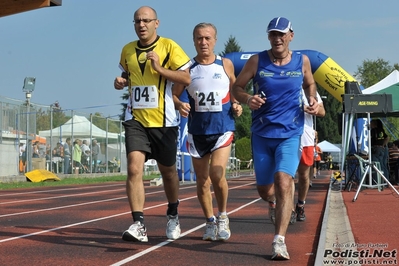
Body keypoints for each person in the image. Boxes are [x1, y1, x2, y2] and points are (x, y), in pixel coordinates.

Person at [231, 17, 320, 260]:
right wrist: (248, 99)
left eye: (281, 34)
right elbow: (236, 88)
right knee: (264, 189)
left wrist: (312, 99)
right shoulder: (256, 61)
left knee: (283, 180)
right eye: (273, 34)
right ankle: (274, 202)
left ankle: (279, 241)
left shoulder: (302, 61)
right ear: (268, 37)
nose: (277, 38)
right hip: (261, 134)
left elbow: (310, 83)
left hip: (290, 134)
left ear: (291, 35)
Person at [113, 6, 191, 242]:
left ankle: (173, 213)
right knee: (134, 168)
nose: (141, 25)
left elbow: (186, 78)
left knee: (167, 172)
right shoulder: (127, 50)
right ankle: (138, 224)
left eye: (146, 20)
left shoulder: (169, 46)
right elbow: (126, 77)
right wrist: (119, 82)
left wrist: (159, 68)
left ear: (157, 23)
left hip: (164, 121)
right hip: (135, 119)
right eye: (137, 21)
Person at [173, 22, 242, 241]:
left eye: (208, 38)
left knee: (217, 174)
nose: (203, 42)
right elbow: (174, 95)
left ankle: (223, 215)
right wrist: (179, 104)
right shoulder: (187, 69)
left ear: (215, 40)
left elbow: (235, 89)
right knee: (202, 180)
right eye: (199, 38)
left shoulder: (226, 64)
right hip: (197, 130)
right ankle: (210, 222)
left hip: (222, 127)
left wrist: (237, 103)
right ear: (194, 40)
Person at [295, 92, 325, 222]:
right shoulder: (284, 81)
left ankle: (300, 204)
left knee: (303, 175)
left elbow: (322, 112)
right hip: (287, 135)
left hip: (306, 138)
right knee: (286, 175)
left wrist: (314, 109)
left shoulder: (310, 91)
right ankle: (287, 208)